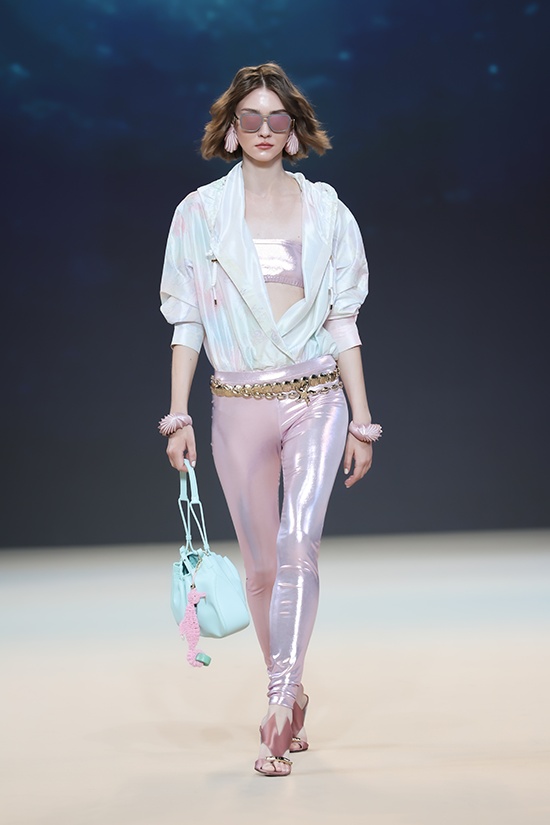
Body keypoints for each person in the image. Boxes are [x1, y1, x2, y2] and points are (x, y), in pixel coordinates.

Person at [158, 62, 381, 776]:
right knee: (259, 567)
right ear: (230, 132)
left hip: (317, 397)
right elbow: (187, 320)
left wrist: (362, 420)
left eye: (275, 118)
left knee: (297, 543)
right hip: (236, 403)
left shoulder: (328, 211)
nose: (262, 129)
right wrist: (177, 414)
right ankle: (292, 683)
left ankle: (279, 703)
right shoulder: (199, 214)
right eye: (248, 118)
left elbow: (343, 320)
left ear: (293, 132)